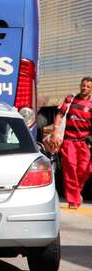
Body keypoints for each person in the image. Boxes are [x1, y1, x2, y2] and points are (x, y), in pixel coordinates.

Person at [48, 77, 92, 209]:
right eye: (83, 85)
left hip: (84, 143)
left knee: (86, 169)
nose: (85, 88)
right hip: (69, 142)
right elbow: (59, 115)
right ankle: (73, 200)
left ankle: (76, 192)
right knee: (70, 169)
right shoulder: (70, 100)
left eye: (88, 87)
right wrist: (55, 133)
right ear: (80, 86)